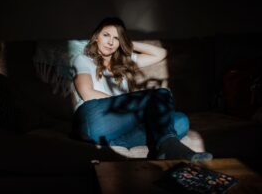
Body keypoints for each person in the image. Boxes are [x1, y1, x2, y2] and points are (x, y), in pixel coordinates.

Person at [71, 17, 213, 162]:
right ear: (96, 37)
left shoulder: (125, 62)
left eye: (117, 38)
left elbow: (161, 53)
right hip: (92, 119)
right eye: (106, 35)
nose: (110, 42)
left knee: (180, 120)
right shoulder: (83, 59)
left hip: (118, 126)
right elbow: (87, 93)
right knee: (161, 94)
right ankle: (167, 143)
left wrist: (127, 43)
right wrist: (135, 106)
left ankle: (162, 143)